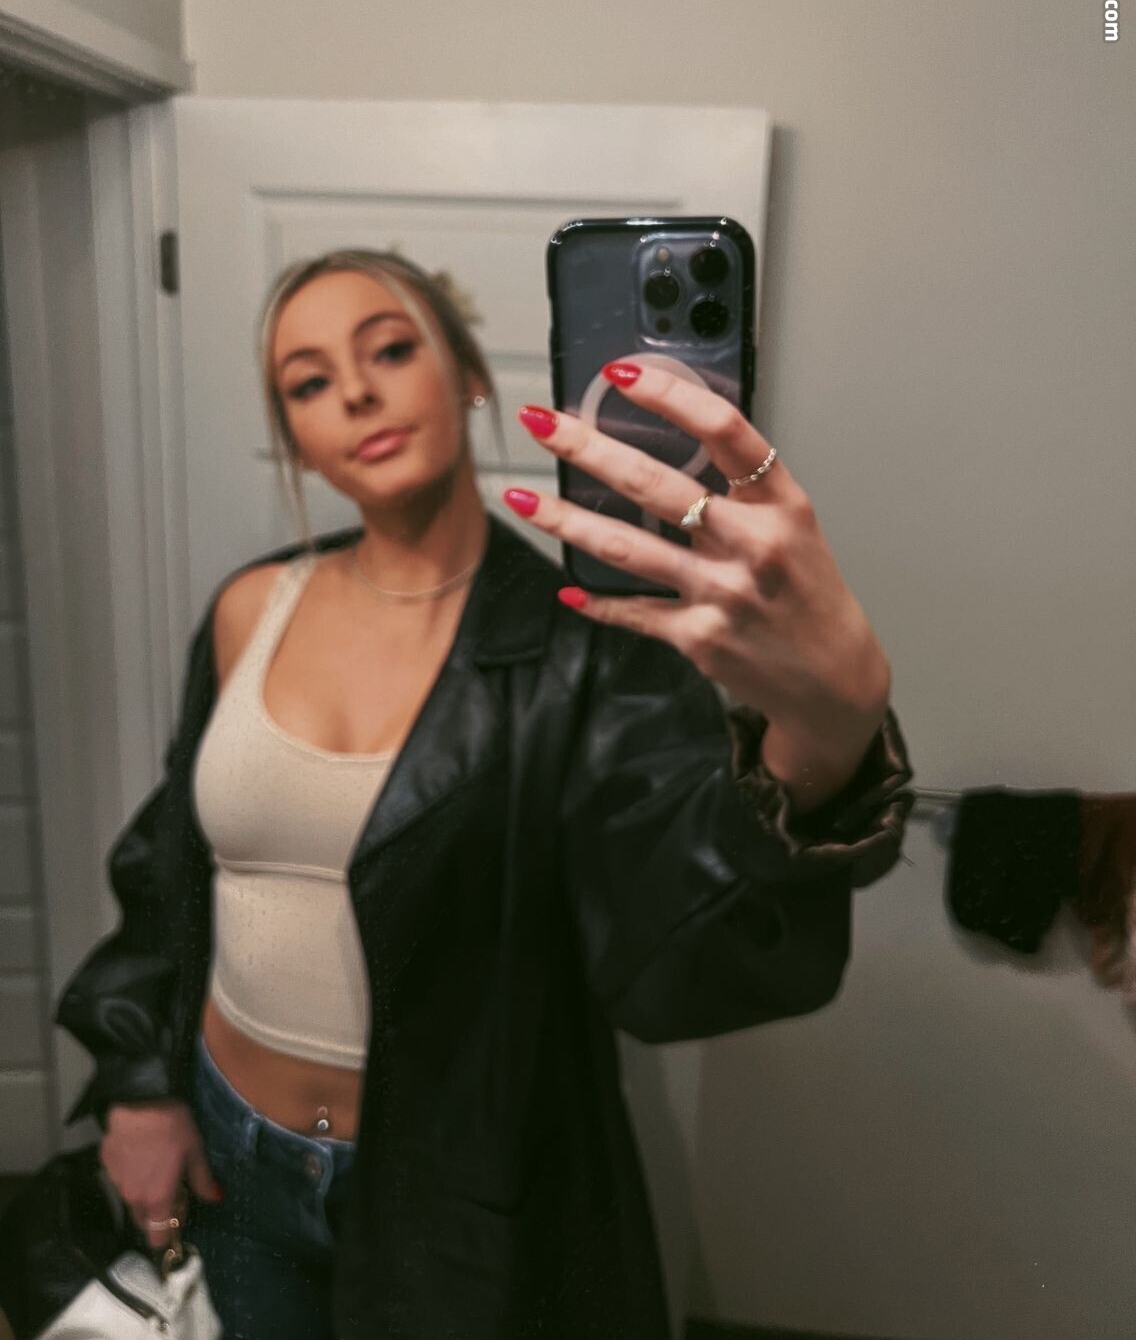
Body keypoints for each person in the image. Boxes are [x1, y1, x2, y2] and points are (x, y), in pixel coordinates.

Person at [54, 247, 916, 1340]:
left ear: (467, 373)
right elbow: (169, 866)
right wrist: (140, 1085)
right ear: (297, 438)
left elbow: (675, 951)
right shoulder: (247, 606)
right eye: (308, 382)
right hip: (233, 1158)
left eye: (389, 350)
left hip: (455, 1202)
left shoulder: (589, 646)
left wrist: (822, 740)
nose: (354, 392)